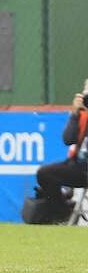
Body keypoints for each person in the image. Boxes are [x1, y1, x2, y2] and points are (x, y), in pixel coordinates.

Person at [35, 89, 88, 219]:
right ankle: (62, 214)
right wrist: (75, 113)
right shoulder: (84, 117)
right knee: (45, 173)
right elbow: (68, 139)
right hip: (81, 168)